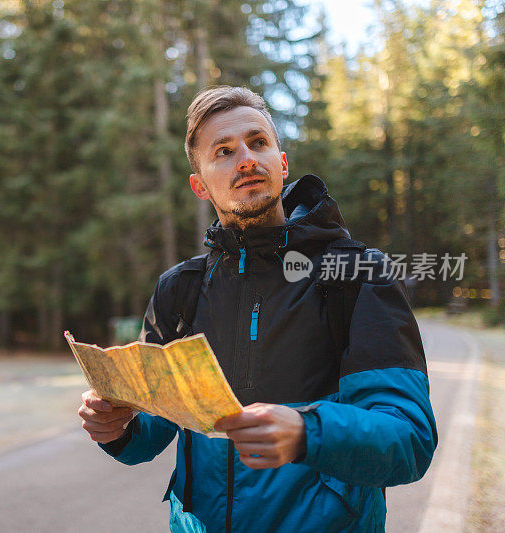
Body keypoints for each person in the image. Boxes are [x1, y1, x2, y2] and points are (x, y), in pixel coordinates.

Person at [77, 86, 437, 532]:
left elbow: (409, 438)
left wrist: (309, 432)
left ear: (282, 164)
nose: (245, 158)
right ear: (200, 185)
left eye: (258, 142)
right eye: (223, 151)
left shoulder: (357, 274)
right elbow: (155, 428)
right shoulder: (180, 290)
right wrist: (118, 426)